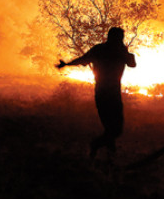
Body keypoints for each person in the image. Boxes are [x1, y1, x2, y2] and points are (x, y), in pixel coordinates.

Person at [56, 27, 137, 158]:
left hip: (104, 93)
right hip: (109, 94)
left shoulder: (100, 49)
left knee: (111, 128)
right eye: (120, 38)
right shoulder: (118, 51)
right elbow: (132, 63)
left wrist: (67, 64)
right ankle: (96, 146)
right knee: (115, 129)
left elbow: (83, 59)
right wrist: (67, 64)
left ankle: (109, 156)